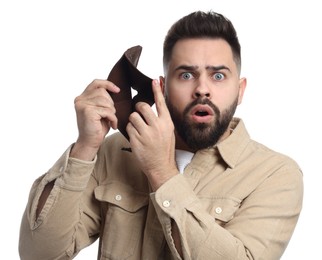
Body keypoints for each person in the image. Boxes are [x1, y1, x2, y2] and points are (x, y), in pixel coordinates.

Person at [19, 10, 303, 260]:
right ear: (162, 88)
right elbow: (39, 254)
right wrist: (84, 147)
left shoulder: (276, 174)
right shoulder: (113, 151)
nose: (202, 89)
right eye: (186, 75)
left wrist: (160, 171)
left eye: (218, 76)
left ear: (240, 90)